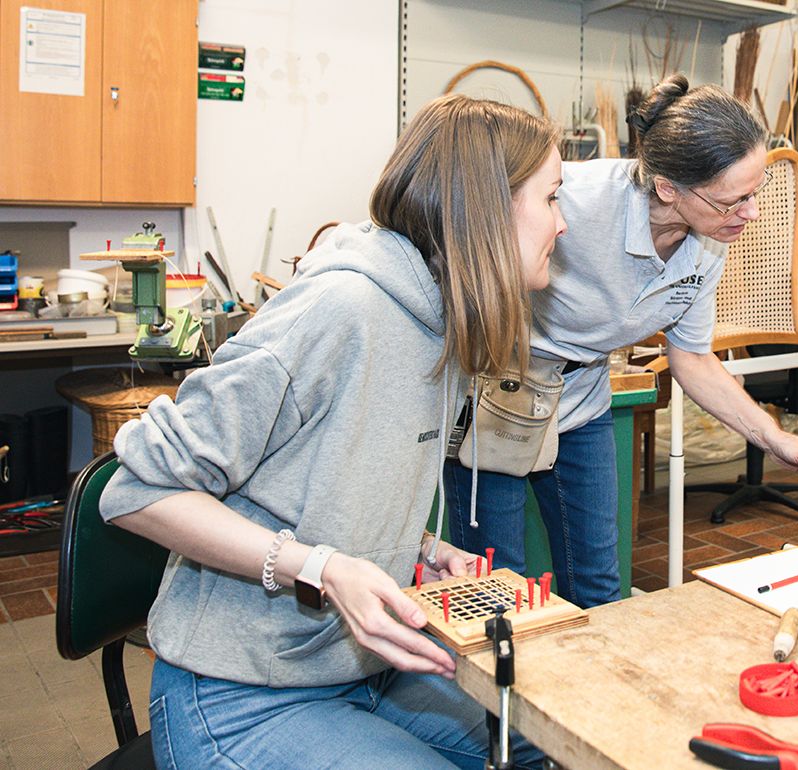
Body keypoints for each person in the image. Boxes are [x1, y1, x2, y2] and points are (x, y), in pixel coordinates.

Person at [97, 94, 563, 769]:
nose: (564, 223)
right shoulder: (340, 310)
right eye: (551, 198)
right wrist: (319, 568)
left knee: (548, 742)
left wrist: (418, 546)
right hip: (239, 694)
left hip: (363, 673)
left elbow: (322, 478)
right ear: (489, 209)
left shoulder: (443, 317)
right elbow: (136, 489)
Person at [445, 74, 798, 608]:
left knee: (600, 588)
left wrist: (777, 440)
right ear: (669, 188)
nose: (750, 214)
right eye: (732, 201)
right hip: (497, 398)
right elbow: (460, 249)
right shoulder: (572, 201)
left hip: (582, 400)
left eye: (755, 193)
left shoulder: (709, 243)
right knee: (497, 591)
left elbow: (693, 361)